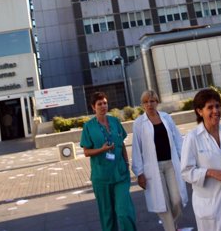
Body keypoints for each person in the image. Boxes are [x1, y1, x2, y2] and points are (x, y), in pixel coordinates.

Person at [180, 89, 221, 231]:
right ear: (200, 111)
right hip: (210, 203)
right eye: (209, 107)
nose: (215, 111)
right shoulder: (192, 138)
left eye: (217, 106)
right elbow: (186, 172)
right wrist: (210, 172)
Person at [131, 90, 187, 231]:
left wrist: (184, 159)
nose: (149, 104)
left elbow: (177, 139)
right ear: (142, 104)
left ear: (157, 102)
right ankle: (171, 228)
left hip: (171, 164)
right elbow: (137, 149)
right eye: (146, 102)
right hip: (153, 168)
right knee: (162, 203)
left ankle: (172, 223)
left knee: (176, 200)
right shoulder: (139, 123)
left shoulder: (166, 118)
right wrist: (139, 173)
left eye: (152, 101)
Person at [80, 91, 137, 231]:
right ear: (93, 107)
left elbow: (121, 143)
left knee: (124, 212)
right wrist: (102, 150)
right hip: (102, 178)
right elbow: (86, 151)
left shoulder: (115, 121)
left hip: (121, 175)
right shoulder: (89, 127)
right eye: (99, 104)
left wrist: (126, 162)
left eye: (105, 103)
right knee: (107, 216)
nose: (103, 106)